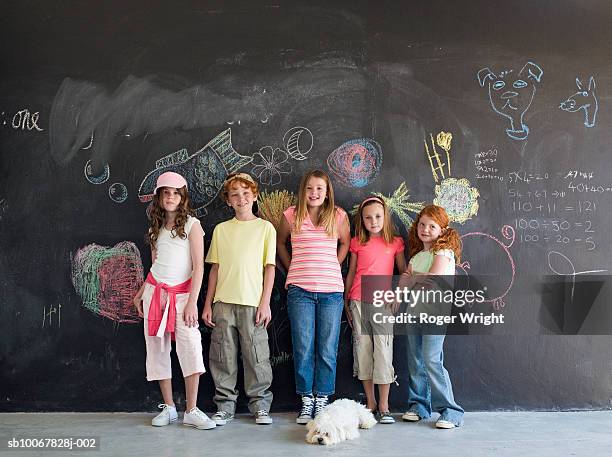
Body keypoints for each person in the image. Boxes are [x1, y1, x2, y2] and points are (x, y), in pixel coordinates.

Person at [133, 171, 215, 430]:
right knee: (157, 349)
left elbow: (199, 268)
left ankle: (191, 409)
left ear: (183, 196)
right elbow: (156, 264)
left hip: (182, 297)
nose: (170, 197)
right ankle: (169, 407)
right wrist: (141, 291)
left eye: (176, 193)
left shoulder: (192, 225)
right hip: (155, 293)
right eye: (165, 193)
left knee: (190, 348)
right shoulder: (155, 227)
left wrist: (193, 302)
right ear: (159, 197)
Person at [276, 169, 350, 424]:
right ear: (303, 191)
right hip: (300, 290)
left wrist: (334, 264)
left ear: (327, 191)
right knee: (303, 347)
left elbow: (345, 244)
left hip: (331, 291)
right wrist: (291, 266)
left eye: (320, 188)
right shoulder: (291, 215)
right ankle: (307, 400)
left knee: (327, 348)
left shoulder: (338, 216)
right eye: (309, 188)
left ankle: (323, 399)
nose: (314, 193)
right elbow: (280, 243)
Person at [202, 172, 276, 426]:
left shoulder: (265, 228)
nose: (241, 198)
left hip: (253, 303)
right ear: (228, 201)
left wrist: (265, 302)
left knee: (257, 356)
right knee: (223, 355)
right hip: (223, 303)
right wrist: (208, 303)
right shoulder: (221, 230)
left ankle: (260, 406)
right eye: (235, 194)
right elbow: (214, 269)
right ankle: (224, 406)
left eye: (246, 193)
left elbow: (269, 267)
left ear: (255, 196)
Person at [401, 204, 464, 429]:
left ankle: (451, 411)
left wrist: (413, 279)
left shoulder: (444, 252)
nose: (425, 229)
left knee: (431, 359)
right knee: (415, 361)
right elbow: (405, 279)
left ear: (442, 230)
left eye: (432, 226)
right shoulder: (418, 256)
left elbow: (433, 278)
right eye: (422, 224)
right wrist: (399, 295)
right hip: (414, 313)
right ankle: (418, 405)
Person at [344, 196, 406, 424]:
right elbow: (351, 272)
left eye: (378, 216)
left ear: (385, 217)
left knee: (383, 350)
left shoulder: (395, 243)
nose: (373, 221)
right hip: (358, 301)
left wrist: (398, 295)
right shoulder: (357, 242)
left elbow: (404, 273)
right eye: (368, 217)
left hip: (382, 301)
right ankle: (370, 403)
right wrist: (346, 299)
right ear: (362, 219)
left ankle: (384, 406)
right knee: (363, 351)